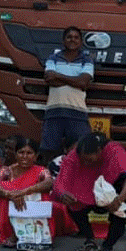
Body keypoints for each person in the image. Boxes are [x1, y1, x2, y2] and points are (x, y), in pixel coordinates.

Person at [53, 132, 126, 251]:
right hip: (87, 192)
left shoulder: (114, 151)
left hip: (115, 193)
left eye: (89, 160)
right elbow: (62, 179)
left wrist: (119, 200)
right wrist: (62, 194)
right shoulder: (75, 155)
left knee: (122, 214)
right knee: (73, 206)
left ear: (100, 151)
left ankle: (108, 247)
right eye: (83, 160)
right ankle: (90, 239)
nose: (85, 163)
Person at [0, 136, 77, 249]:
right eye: (21, 152)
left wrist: (23, 192)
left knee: (42, 194)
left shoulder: (41, 170)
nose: (25, 157)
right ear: (15, 154)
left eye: (29, 153)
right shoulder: (6, 170)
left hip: (32, 206)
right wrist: (9, 194)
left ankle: (35, 233)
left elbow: (49, 182)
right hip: (13, 205)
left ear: (35, 156)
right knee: (3, 188)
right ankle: (11, 231)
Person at [41, 26, 94, 157]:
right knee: (49, 150)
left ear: (81, 42)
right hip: (54, 113)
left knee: (81, 150)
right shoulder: (53, 58)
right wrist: (76, 81)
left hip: (77, 113)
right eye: (69, 37)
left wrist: (59, 76)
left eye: (76, 37)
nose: (72, 40)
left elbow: (83, 82)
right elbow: (49, 79)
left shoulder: (86, 60)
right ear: (63, 41)